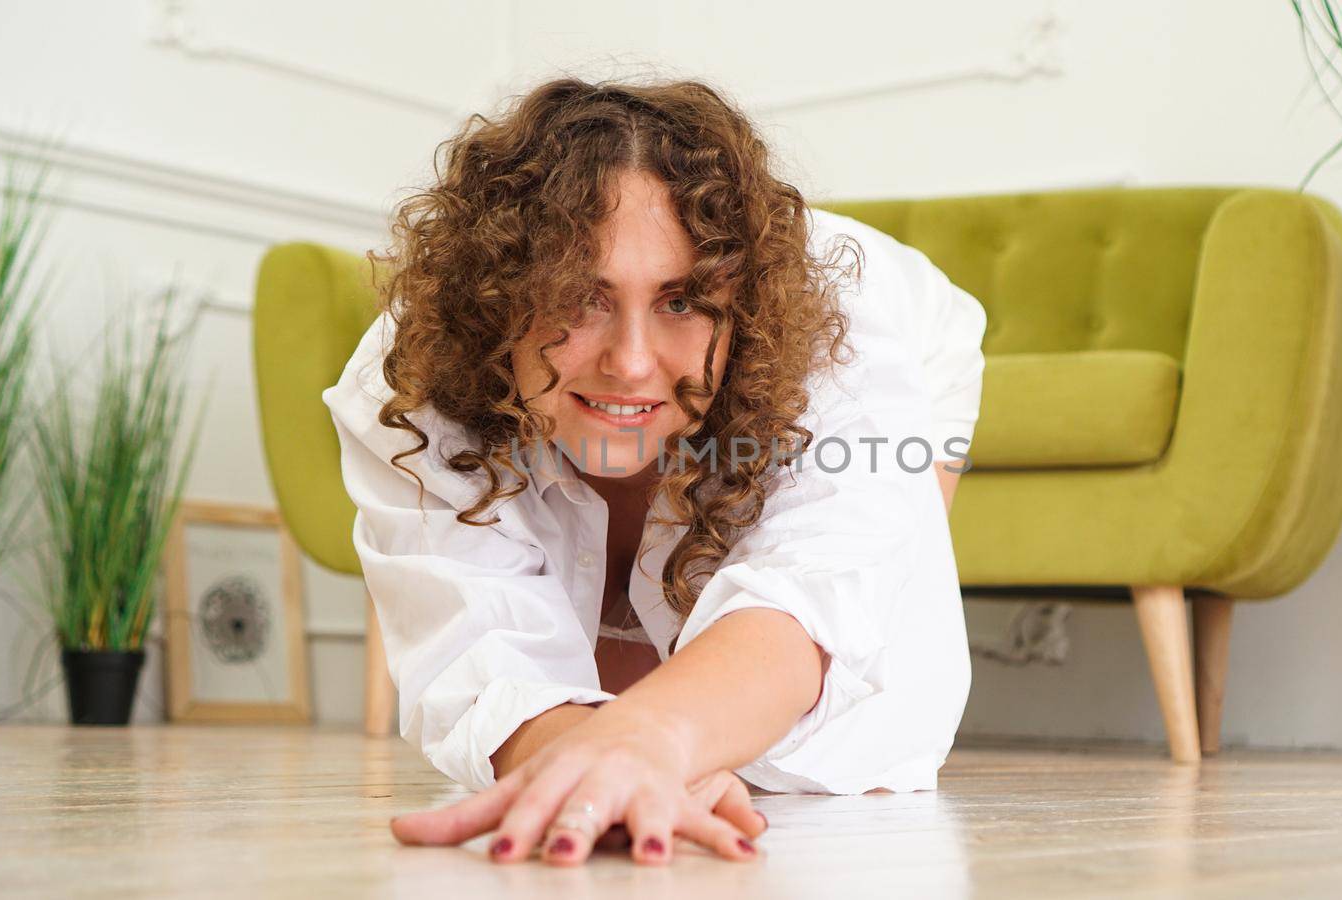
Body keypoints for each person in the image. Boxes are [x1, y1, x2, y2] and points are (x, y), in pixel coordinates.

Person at [321, 76, 987, 867]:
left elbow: (811, 601)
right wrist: (617, 752)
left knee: (800, 667)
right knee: (634, 710)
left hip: (916, 351)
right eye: (579, 298)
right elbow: (477, 647)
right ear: (496, 301)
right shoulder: (411, 374)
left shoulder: (839, 349)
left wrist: (655, 737)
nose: (629, 362)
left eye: (682, 302)